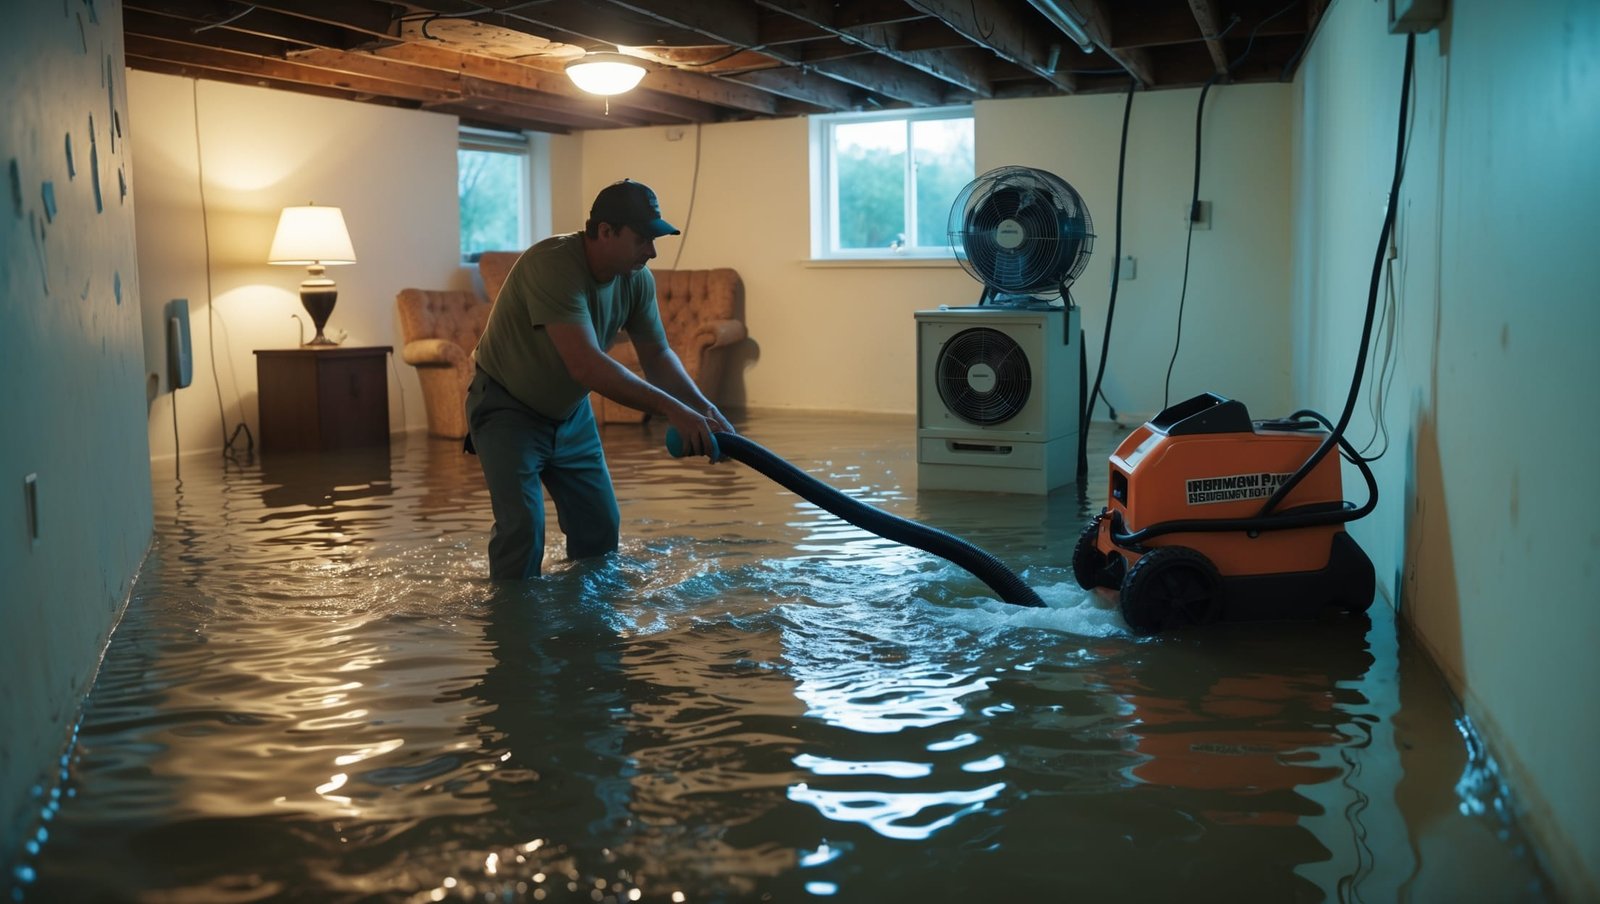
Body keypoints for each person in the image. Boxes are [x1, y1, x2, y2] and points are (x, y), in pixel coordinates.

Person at [466, 178, 735, 580]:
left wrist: (705, 409)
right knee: (522, 532)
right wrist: (671, 410)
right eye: (643, 238)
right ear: (605, 231)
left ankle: (584, 632)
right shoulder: (552, 264)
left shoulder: (636, 279)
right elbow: (587, 366)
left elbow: (658, 355)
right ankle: (513, 632)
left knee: (601, 529)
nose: (652, 251)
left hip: (571, 415)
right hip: (507, 408)